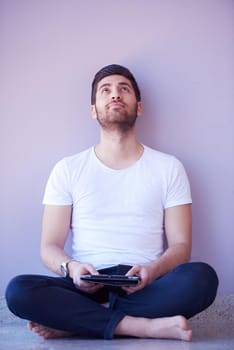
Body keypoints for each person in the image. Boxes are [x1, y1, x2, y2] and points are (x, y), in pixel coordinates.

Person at [5, 64, 218, 342]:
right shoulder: (67, 169)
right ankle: (143, 327)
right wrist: (73, 268)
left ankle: (80, 322)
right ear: (94, 110)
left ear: (138, 107)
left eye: (124, 89)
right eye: (106, 90)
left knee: (202, 278)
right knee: (19, 291)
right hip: (87, 284)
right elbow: (49, 248)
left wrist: (152, 271)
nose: (115, 95)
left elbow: (181, 247)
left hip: (145, 284)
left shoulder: (169, 167)